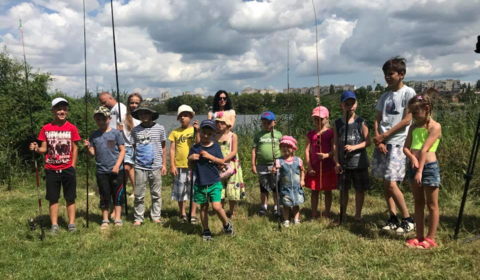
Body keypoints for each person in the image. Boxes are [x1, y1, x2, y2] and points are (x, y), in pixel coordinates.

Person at [372, 56, 416, 234]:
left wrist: (385, 135)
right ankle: (392, 217)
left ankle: (408, 219)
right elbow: (377, 119)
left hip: (397, 143)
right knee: (385, 182)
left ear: (402, 74)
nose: (387, 77)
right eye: (385, 74)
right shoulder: (385, 96)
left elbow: (407, 119)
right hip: (383, 143)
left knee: (392, 183)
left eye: (391, 74)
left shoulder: (408, 93)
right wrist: (378, 137)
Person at [29, 97, 81, 233]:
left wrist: (73, 166)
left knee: (70, 197)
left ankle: (71, 224)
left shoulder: (72, 128)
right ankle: (54, 225)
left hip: (68, 168)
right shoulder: (46, 128)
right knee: (53, 198)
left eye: (64, 109)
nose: (62, 111)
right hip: (51, 169)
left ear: (67, 111)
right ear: (53, 111)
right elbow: (44, 149)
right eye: (58, 109)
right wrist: (36, 148)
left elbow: (75, 148)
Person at [403, 93, 441, 249]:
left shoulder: (435, 127)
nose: (413, 116)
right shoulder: (413, 127)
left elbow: (425, 149)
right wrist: (412, 158)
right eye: (411, 113)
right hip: (415, 168)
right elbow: (405, 147)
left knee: (432, 204)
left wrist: (420, 170)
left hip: (429, 168)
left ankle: (430, 238)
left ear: (427, 108)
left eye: (416, 112)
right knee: (418, 203)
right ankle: (419, 236)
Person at [188, 120, 234, 241]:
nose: (205, 136)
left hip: (214, 182)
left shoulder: (215, 147)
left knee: (217, 207)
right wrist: (190, 158)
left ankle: (227, 224)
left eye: (209, 134)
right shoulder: (195, 148)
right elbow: (190, 167)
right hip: (200, 183)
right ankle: (206, 230)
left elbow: (222, 162)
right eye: (203, 132)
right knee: (203, 208)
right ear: (199, 131)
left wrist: (210, 157)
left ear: (213, 134)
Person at [83, 106, 125, 229]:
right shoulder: (94, 135)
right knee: (104, 194)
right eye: (98, 119)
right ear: (95, 120)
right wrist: (86, 148)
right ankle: (105, 219)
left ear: (109, 119)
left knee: (117, 194)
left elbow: (123, 151)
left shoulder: (116, 133)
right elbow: (92, 154)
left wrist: (117, 165)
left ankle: (117, 219)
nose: (101, 122)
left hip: (117, 170)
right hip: (101, 171)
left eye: (103, 119)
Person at [333, 91, 371, 223]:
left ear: (356, 104)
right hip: (344, 163)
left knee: (360, 190)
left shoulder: (361, 122)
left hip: (359, 162)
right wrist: (336, 162)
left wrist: (354, 147)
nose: (350, 106)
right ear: (341, 106)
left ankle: (358, 215)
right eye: (346, 104)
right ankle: (342, 215)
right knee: (343, 190)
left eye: (352, 103)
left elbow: (368, 141)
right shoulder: (338, 123)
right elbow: (335, 144)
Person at [131, 107, 167, 226]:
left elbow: (163, 147)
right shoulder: (135, 130)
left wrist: (164, 164)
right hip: (140, 166)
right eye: (141, 114)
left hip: (156, 166)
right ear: (139, 116)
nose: (144, 115)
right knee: (139, 194)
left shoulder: (160, 128)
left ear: (151, 115)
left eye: (146, 113)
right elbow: (134, 147)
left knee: (156, 194)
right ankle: (138, 218)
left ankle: (156, 216)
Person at [304, 106, 337, 219]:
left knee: (328, 191)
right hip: (314, 167)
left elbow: (335, 150)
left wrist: (327, 155)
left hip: (328, 167)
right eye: (315, 119)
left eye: (320, 119)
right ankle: (314, 213)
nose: (318, 121)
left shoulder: (330, 133)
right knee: (314, 191)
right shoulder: (310, 134)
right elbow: (306, 151)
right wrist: (309, 167)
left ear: (327, 118)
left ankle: (327, 212)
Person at [168, 105, 199, 224]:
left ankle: (193, 214)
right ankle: (182, 213)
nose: (183, 118)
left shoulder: (195, 130)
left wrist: (197, 131)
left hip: (193, 166)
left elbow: (199, 144)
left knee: (193, 190)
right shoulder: (175, 132)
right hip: (179, 165)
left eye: (185, 115)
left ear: (191, 116)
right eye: (181, 116)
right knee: (180, 190)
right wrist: (172, 165)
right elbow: (172, 149)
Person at [214, 111, 245, 218]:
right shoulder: (215, 136)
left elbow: (234, 151)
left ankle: (231, 211)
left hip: (231, 165)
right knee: (219, 187)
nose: (219, 125)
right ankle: (220, 210)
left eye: (222, 123)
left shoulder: (233, 136)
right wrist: (218, 161)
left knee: (231, 188)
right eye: (217, 122)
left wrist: (224, 161)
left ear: (228, 124)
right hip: (218, 164)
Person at [251, 110, 282, 216]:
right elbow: (254, 150)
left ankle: (276, 206)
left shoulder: (278, 134)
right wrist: (253, 164)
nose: (266, 125)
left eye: (269, 122)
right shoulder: (258, 135)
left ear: (274, 122)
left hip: (275, 164)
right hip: (262, 165)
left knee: (275, 187)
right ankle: (263, 207)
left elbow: (283, 148)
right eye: (264, 123)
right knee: (263, 187)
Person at [272, 136, 305, 227]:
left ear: (293, 148)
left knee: (296, 204)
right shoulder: (279, 160)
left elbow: (302, 170)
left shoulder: (298, 160)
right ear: (281, 148)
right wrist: (273, 170)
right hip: (285, 187)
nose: (286, 148)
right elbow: (274, 170)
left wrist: (302, 180)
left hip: (296, 187)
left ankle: (296, 219)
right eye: (284, 146)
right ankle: (286, 220)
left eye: (288, 146)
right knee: (286, 204)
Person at [123, 93, 142, 198]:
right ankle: (127, 190)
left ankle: (133, 190)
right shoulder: (123, 116)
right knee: (127, 168)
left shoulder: (141, 117)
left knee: (131, 169)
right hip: (126, 146)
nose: (134, 105)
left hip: (139, 146)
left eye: (136, 103)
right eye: (132, 103)